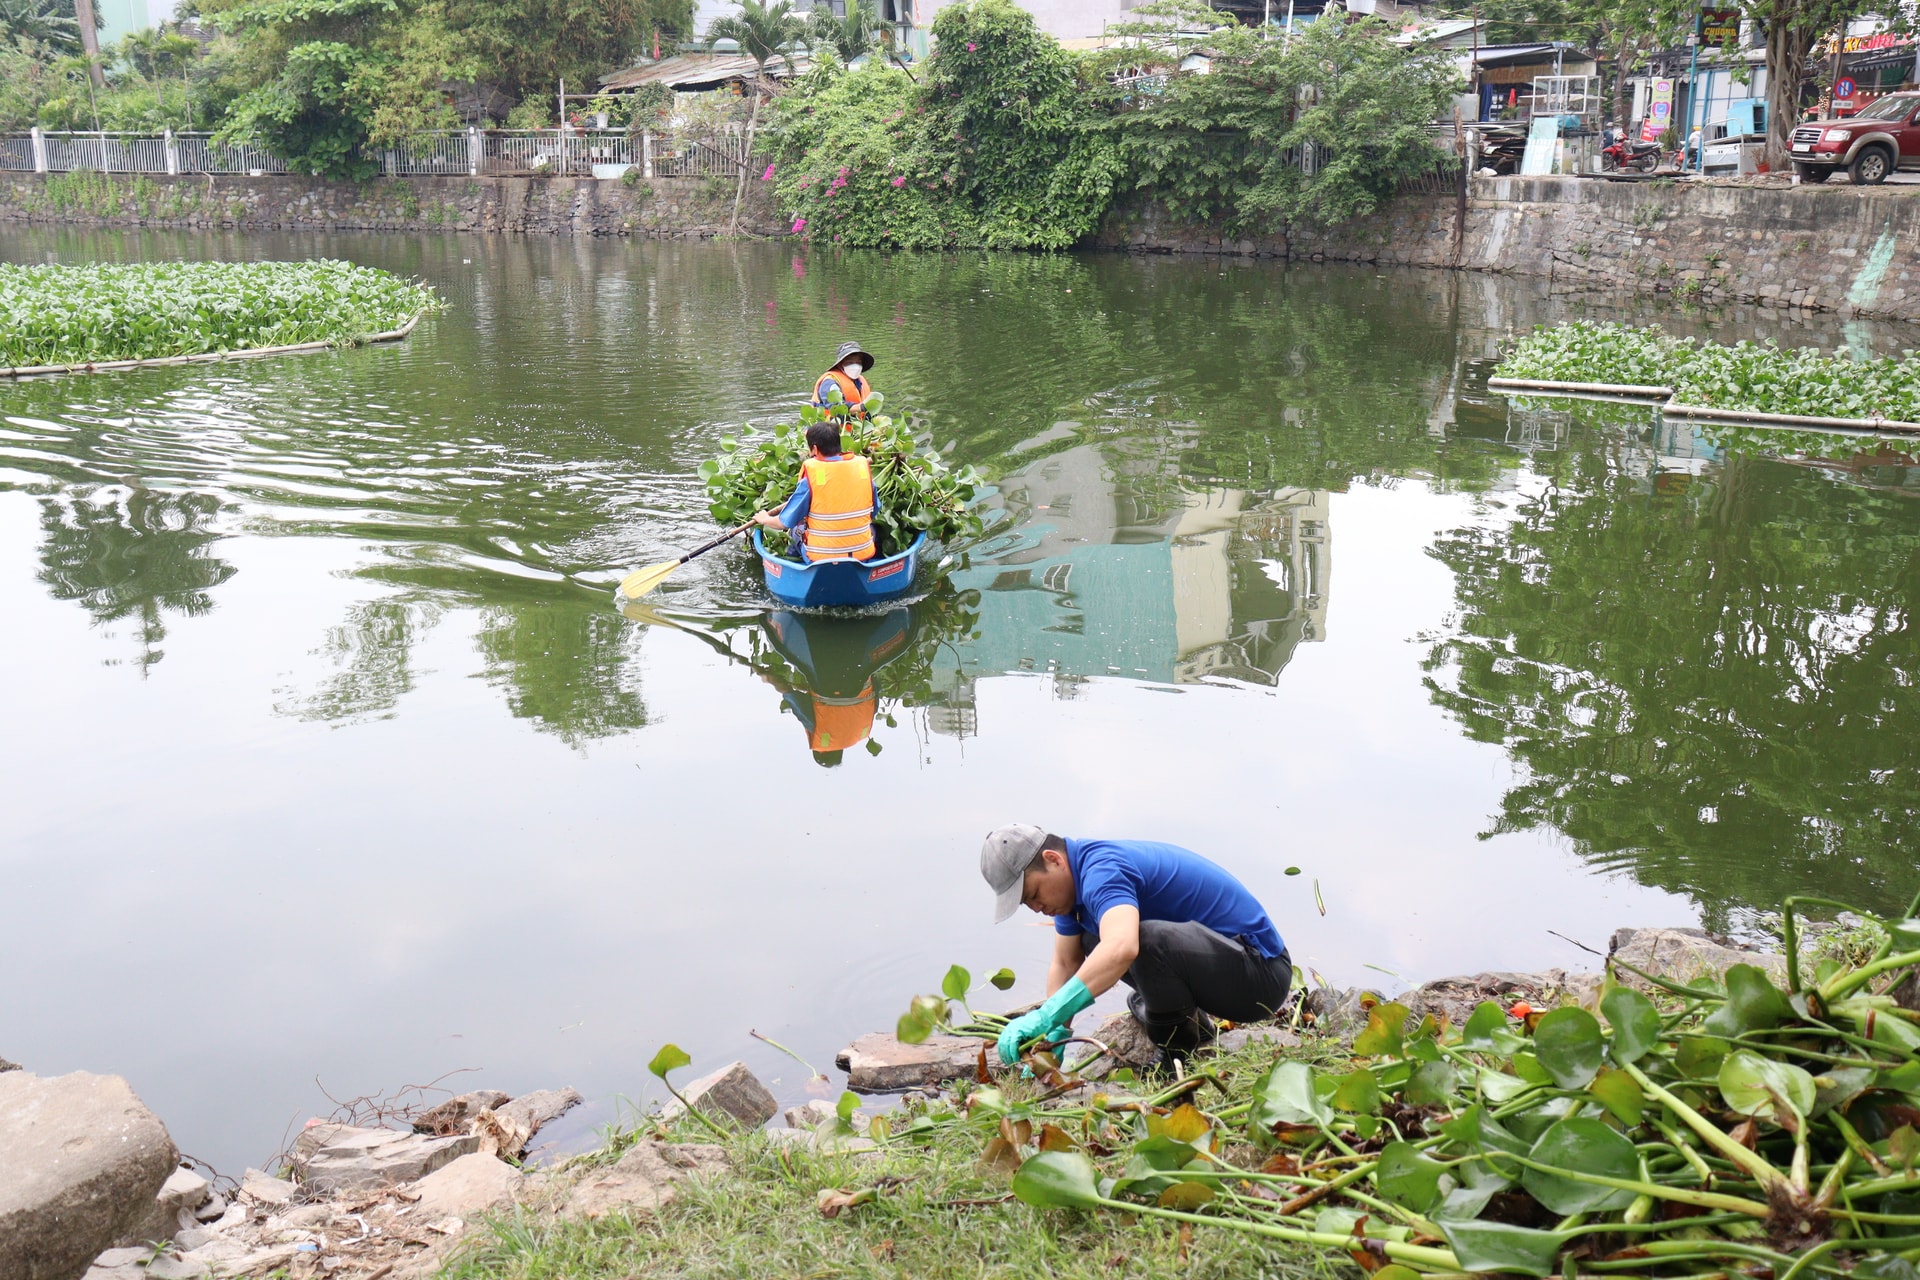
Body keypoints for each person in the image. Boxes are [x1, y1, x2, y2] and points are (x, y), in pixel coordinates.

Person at [978, 825, 1293, 1067]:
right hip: (1221, 966)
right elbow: (1065, 962)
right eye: (1026, 904)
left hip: (1261, 974)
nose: (1035, 908)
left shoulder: (1102, 871)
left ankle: (1176, 1055)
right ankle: (1192, 1023)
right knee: (1093, 939)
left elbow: (1124, 946)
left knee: (1141, 940)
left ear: (1053, 859)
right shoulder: (1071, 893)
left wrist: (1046, 1015)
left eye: (1033, 893)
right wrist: (1053, 1034)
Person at [753, 419, 880, 563]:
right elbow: (874, 510)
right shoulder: (862, 469)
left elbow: (784, 523)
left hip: (822, 559)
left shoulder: (812, 476)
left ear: (814, 449)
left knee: (796, 528)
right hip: (860, 554)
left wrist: (765, 519)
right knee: (872, 528)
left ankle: (794, 562)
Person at [813, 341, 875, 416]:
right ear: (840, 364)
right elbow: (835, 407)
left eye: (858, 362)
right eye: (850, 362)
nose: (855, 366)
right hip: (830, 426)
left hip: (858, 425)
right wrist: (860, 407)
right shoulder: (830, 382)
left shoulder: (860, 381)